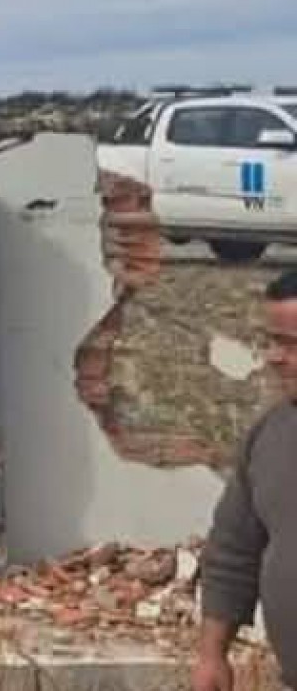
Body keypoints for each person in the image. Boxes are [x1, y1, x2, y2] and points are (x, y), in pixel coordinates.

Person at [193, 269, 297, 691]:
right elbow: (234, 551)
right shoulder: (270, 434)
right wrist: (212, 656)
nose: (274, 356)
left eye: (292, 344)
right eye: (272, 341)